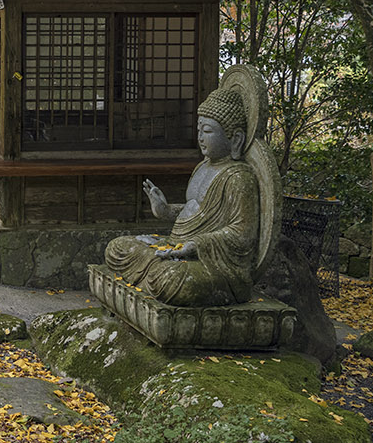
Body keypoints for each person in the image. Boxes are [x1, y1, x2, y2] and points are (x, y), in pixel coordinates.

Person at [102, 81, 261, 306]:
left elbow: (242, 235)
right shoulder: (202, 167)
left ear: (235, 139)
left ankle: (159, 275)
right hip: (175, 247)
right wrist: (166, 211)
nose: (201, 138)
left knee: (175, 280)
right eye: (198, 130)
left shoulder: (237, 177)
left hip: (209, 262)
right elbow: (195, 211)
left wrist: (197, 244)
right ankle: (158, 271)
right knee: (117, 248)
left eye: (208, 131)